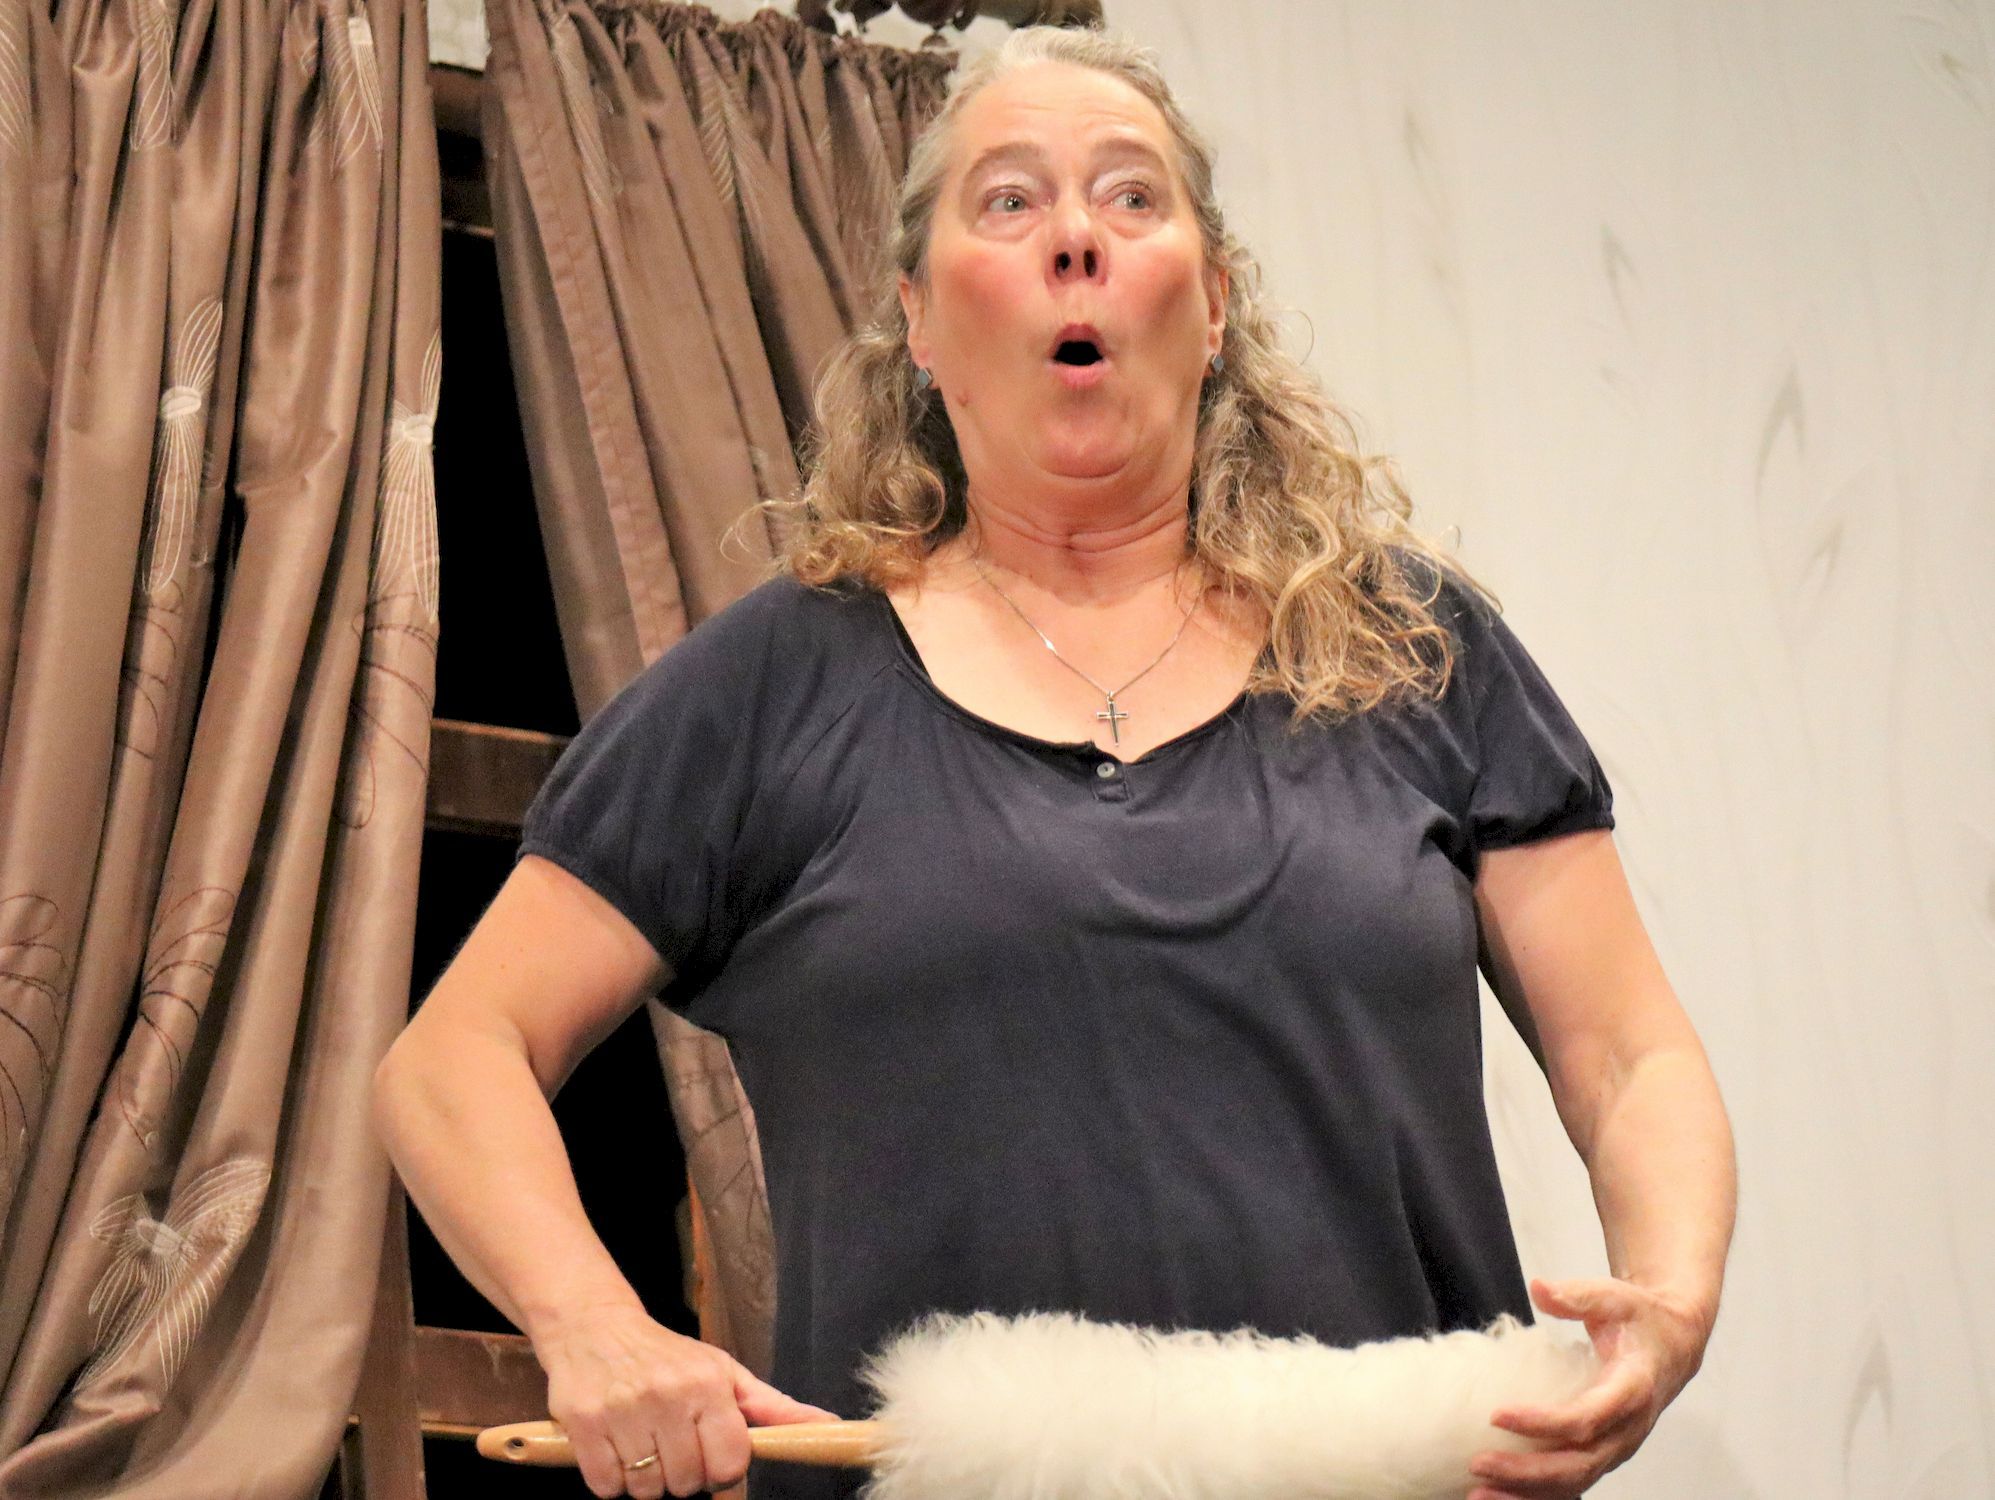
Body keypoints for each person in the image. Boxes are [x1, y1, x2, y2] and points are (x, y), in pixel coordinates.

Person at [372, 25, 1735, 1500]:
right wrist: (593, 1325)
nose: (1076, 236)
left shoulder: (1414, 647)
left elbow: (1628, 1053)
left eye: (1133, 197)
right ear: (918, 318)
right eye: (1010, 201)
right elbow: (455, 1058)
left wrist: (1671, 1296)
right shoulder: (774, 687)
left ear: (1214, 306)